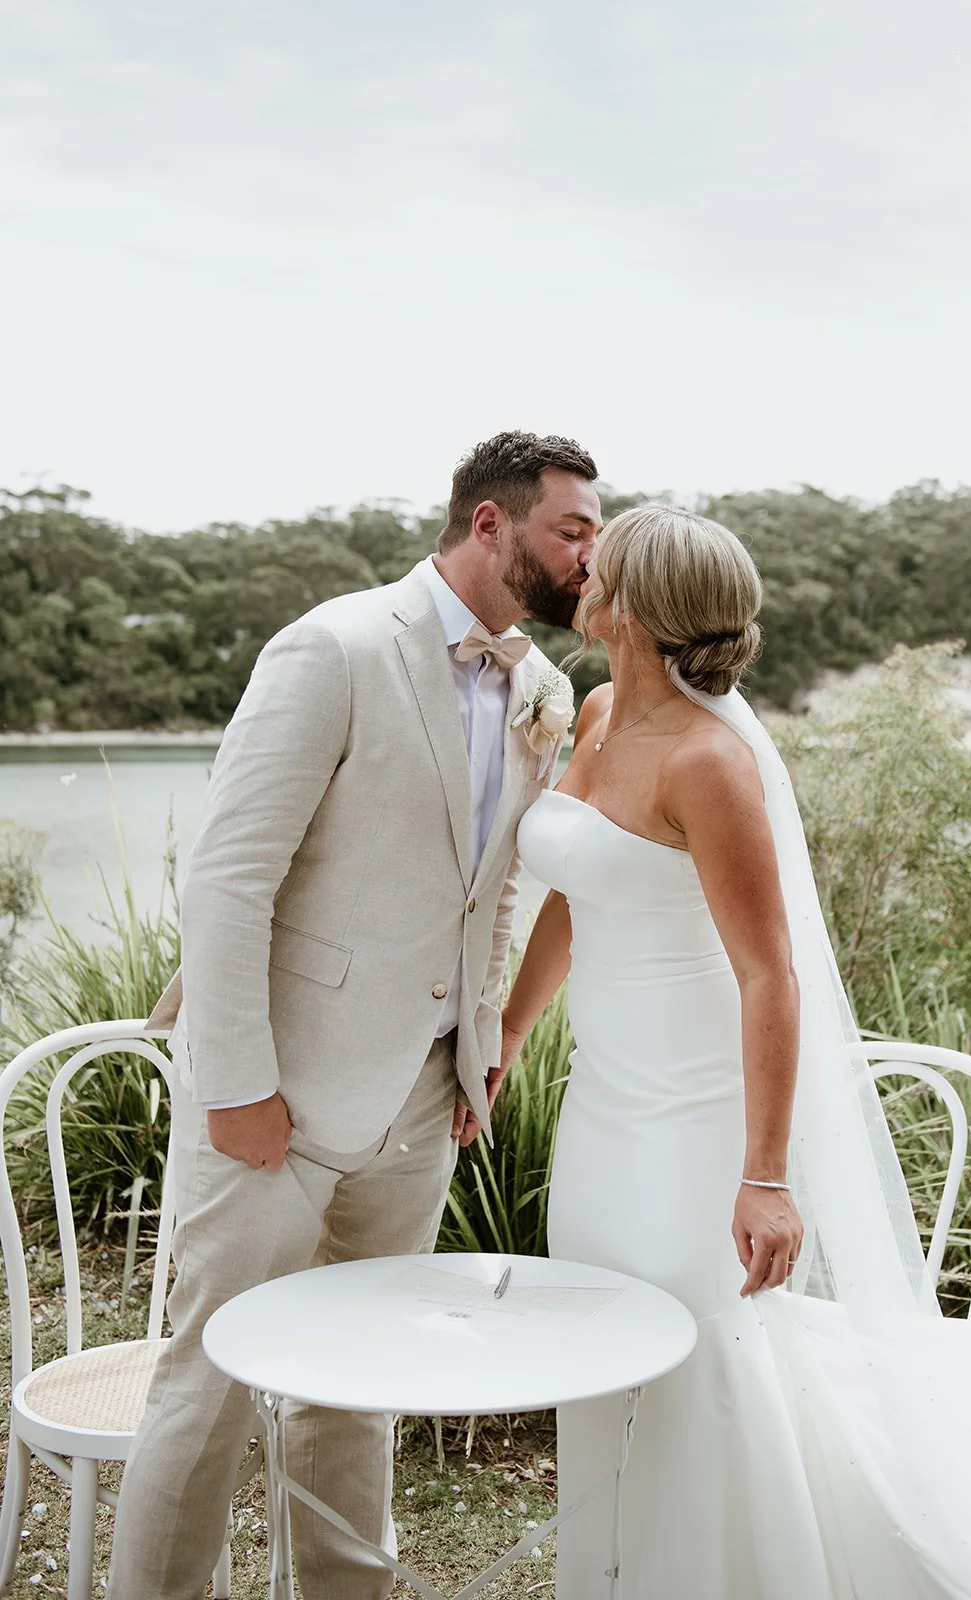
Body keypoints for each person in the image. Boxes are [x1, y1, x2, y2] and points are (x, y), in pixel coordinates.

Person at [504, 504, 971, 1599]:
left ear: (634, 605)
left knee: (697, 1361)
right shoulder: (591, 715)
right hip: (600, 1110)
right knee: (601, 1342)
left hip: (694, 1124)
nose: (583, 572)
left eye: (605, 561)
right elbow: (571, 899)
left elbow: (769, 974)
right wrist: (504, 1032)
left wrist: (765, 1173)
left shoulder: (709, 762)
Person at [106, 431, 601, 1600]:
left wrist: (479, 1040)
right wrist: (235, 1086)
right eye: (571, 531)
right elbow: (227, 881)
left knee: (358, 1381)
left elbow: (493, 892)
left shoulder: (541, 686)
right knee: (207, 1384)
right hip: (272, 1100)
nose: (592, 557)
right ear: (490, 525)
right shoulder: (330, 646)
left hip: (422, 1102)